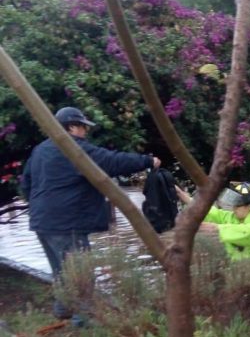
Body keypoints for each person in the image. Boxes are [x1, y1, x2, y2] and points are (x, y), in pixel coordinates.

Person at [20, 106, 161, 324]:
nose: (86, 132)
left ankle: (63, 309)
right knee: (82, 273)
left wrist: (43, 207)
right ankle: (83, 321)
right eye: (83, 127)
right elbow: (112, 161)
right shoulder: (73, 149)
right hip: (68, 222)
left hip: (42, 221)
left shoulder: (40, 150)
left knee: (61, 270)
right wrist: (148, 161)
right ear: (72, 127)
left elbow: (26, 184)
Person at [175, 181, 250, 273]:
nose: (233, 208)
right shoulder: (232, 218)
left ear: (249, 206)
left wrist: (217, 228)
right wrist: (184, 197)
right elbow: (213, 213)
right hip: (240, 273)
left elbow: (247, 232)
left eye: (237, 205)